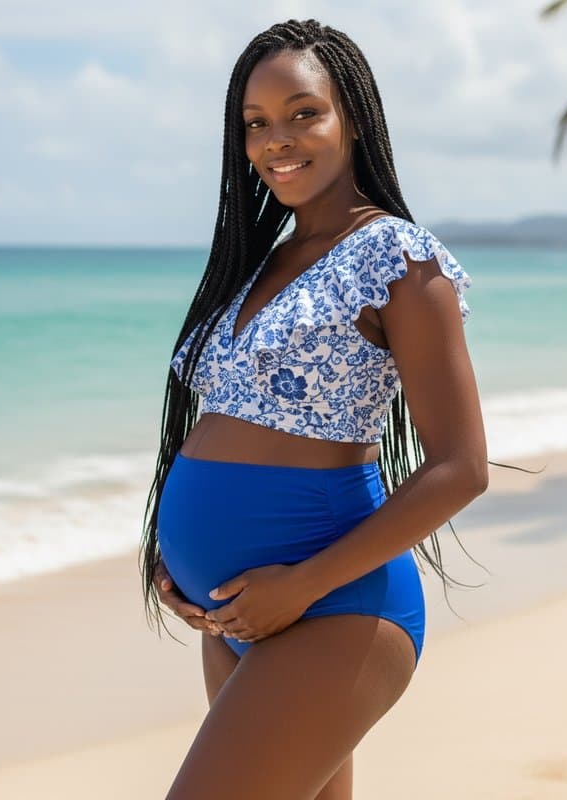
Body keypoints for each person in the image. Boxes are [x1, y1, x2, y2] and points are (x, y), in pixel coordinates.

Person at [139, 18, 493, 800]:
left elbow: (462, 468)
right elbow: (229, 422)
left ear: (353, 117)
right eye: (256, 123)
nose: (278, 139)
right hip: (235, 615)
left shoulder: (399, 258)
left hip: (333, 605)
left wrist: (299, 586)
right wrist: (179, 561)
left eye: (304, 113)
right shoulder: (259, 264)